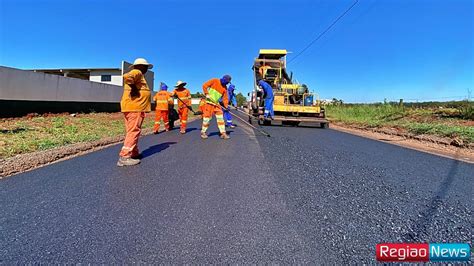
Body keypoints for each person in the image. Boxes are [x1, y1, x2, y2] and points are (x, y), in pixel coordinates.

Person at [117, 58, 153, 167]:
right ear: (141, 66)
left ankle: (134, 152)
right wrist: (134, 89)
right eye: (146, 66)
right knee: (134, 130)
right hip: (135, 107)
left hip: (132, 107)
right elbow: (127, 77)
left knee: (132, 130)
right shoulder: (137, 72)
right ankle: (125, 156)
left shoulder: (139, 75)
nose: (147, 69)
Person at [201, 75, 231, 139]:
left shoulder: (225, 88)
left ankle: (223, 133)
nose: (226, 84)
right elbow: (204, 85)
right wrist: (206, 93)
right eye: (226, 82)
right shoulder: (215, 80)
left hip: (217, 105)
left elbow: (225, 98)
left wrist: (226, 106)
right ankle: (203, 132)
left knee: (221, 119)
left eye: (227, 83)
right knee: (207, 119)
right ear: (223, 79)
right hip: (209, 103)